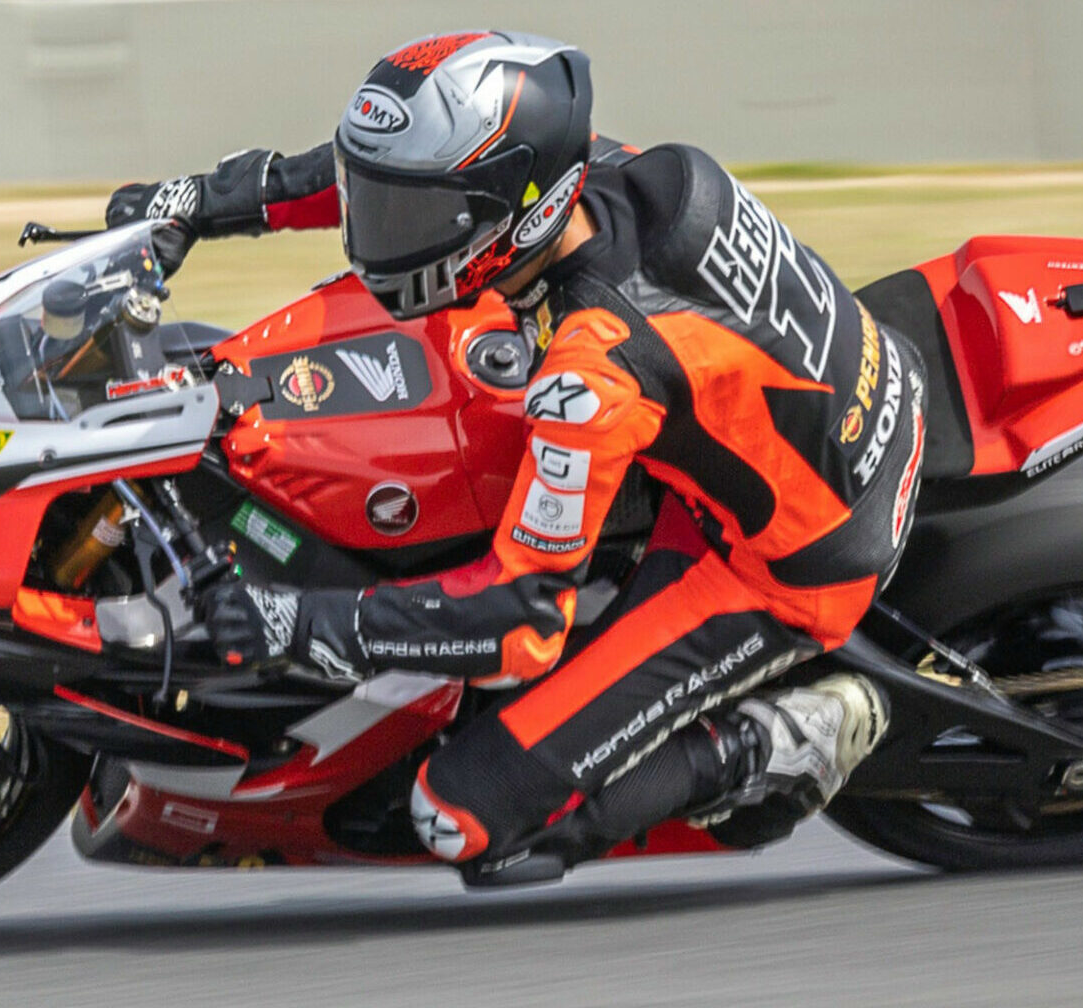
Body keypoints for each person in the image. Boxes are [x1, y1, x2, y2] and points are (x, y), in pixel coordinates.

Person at [106, 30, 925, 884]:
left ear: (517, 213)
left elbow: (521, 619)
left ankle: (774, 749)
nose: (374, 237)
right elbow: (357, 176)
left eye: (410, 218)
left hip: (779, 558)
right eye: (386, 205)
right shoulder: (597, 169)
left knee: (459, 816)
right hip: (815, 411)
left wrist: (300, 622)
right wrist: (198, 201)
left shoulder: (593, 373)